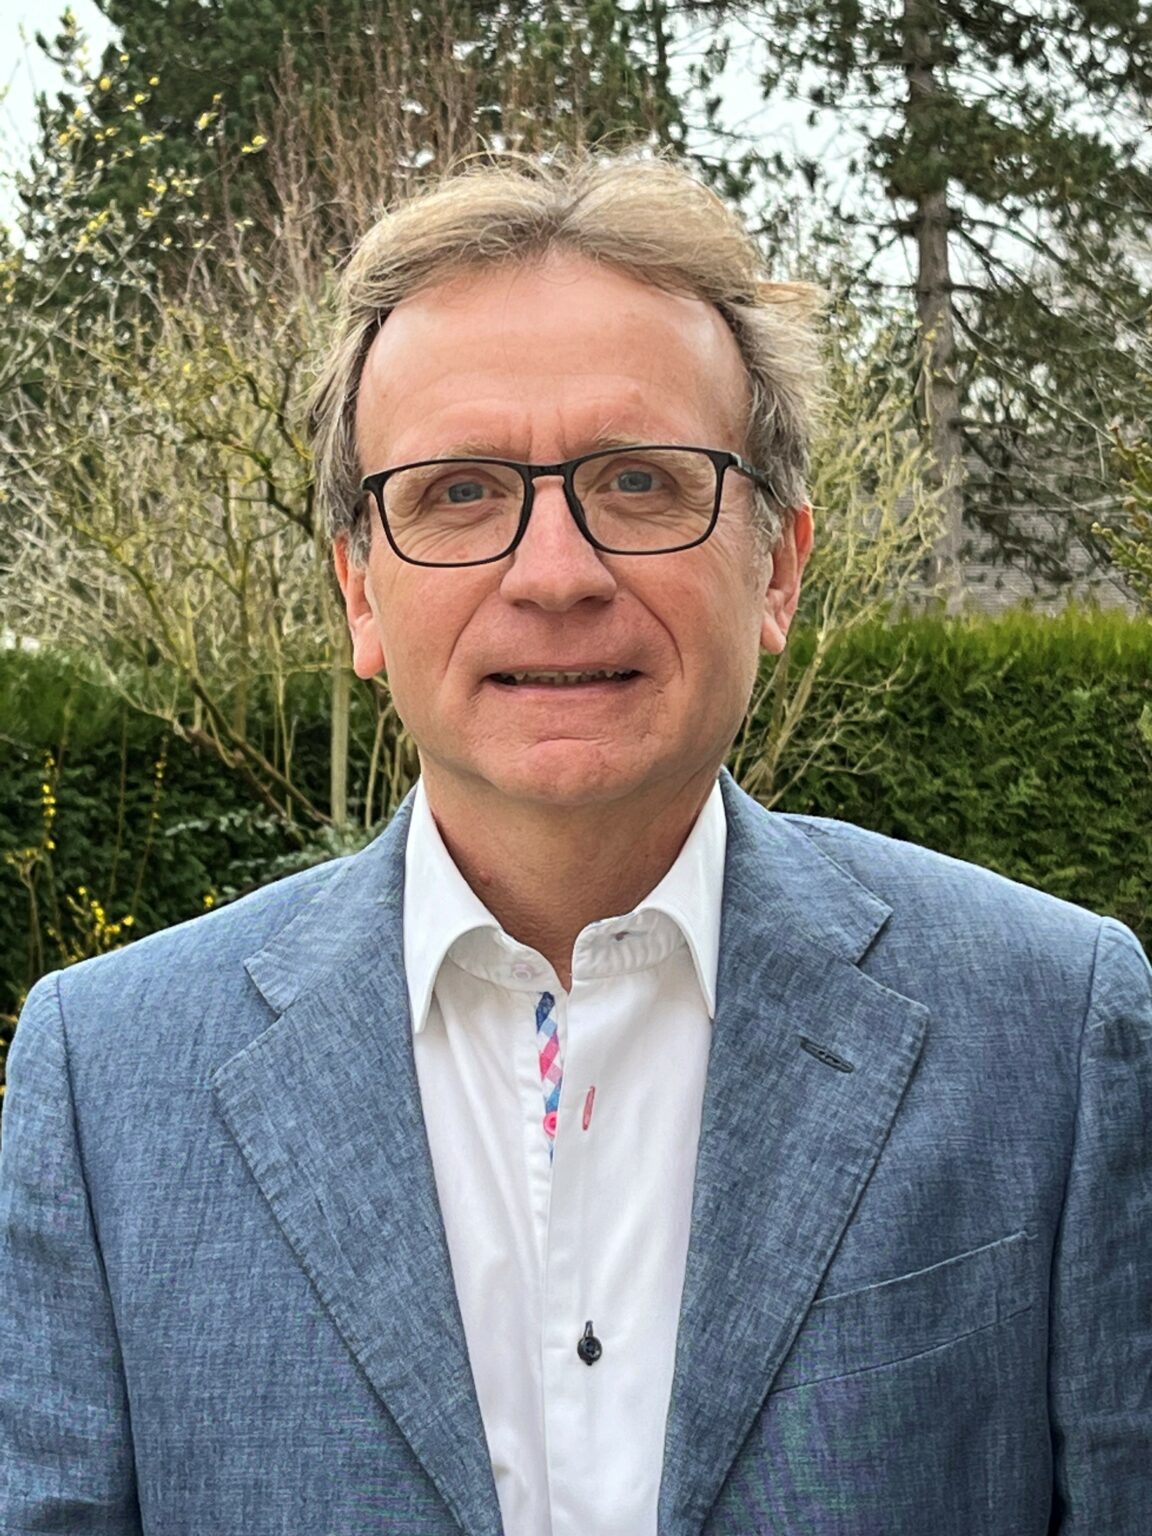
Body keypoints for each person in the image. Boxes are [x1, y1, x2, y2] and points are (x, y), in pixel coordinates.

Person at [1, 151, 1149, 1536]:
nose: (554, 574)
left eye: (641, 481)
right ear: (359, 590)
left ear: (778, 567)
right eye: (459, 493)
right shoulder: (109, 1082)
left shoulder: (1054, 1032)